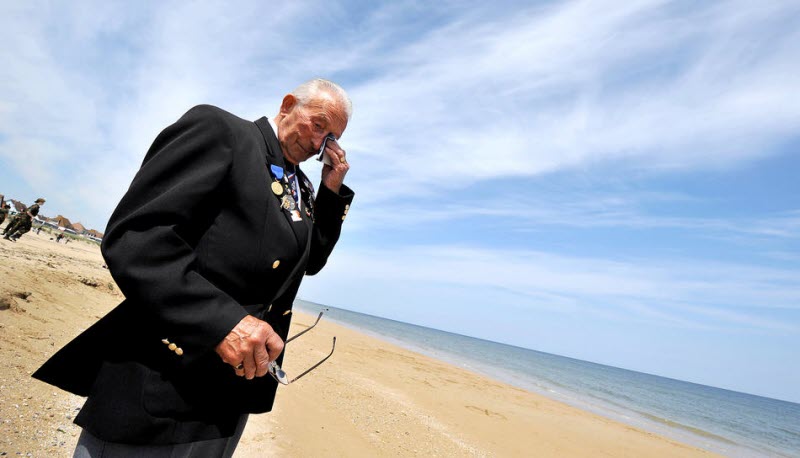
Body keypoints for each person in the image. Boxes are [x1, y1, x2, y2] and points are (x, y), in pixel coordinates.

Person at [33, 78, 354, 457]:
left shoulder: (302, 188)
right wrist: (223, 323)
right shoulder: (223, 133)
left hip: (230, 397)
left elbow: (310, 262)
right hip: (164, 381)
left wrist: (331, 190)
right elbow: (137, 237)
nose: (319, 144)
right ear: (287, 105)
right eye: (317, 125)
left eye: (330, 137)